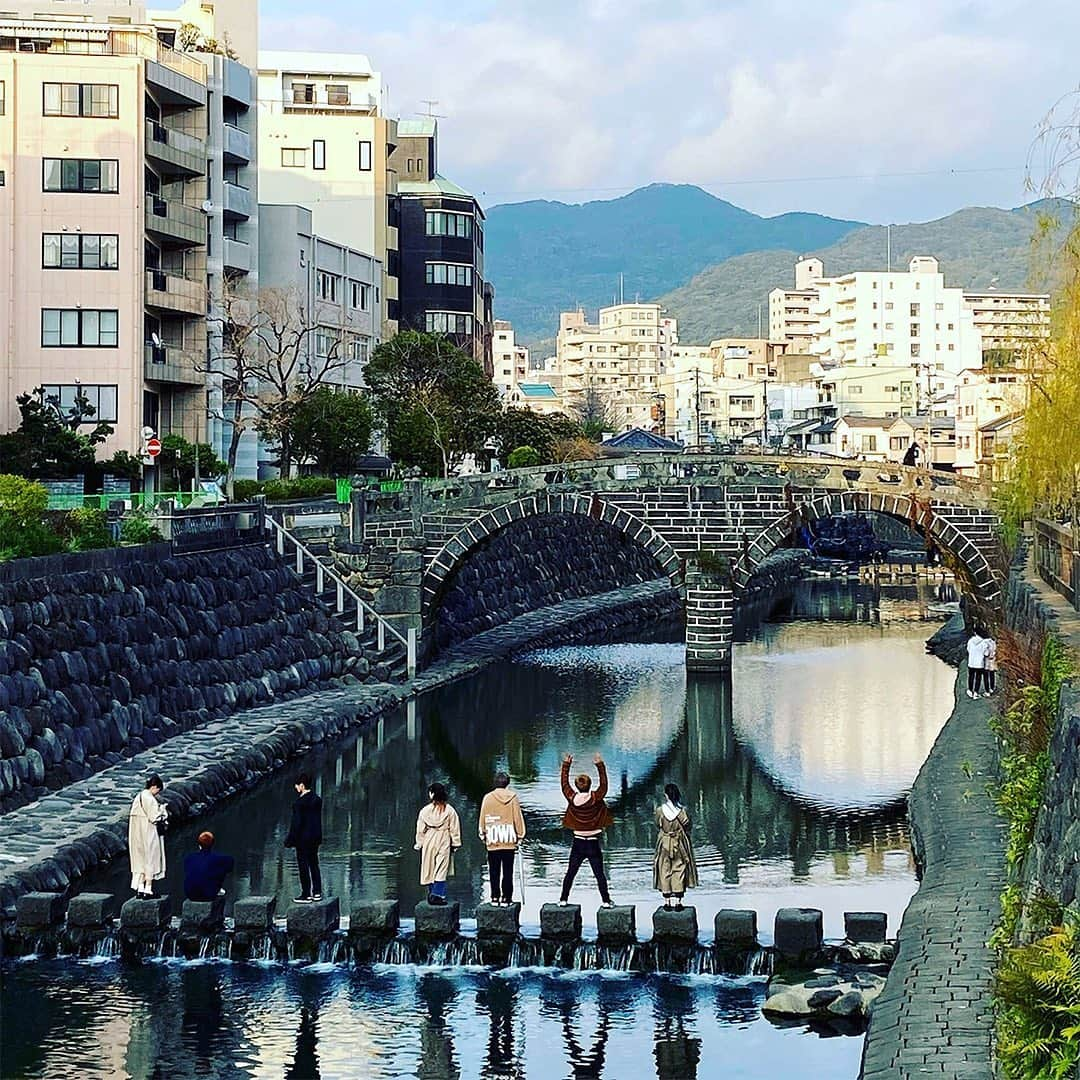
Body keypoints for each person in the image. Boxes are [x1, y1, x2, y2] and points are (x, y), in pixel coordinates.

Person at [559, 752, 615, 907]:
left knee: (570, 873)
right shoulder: (596, 798)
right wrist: (599, 765)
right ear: (590, 785)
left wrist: (566, 765)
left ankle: (563, 899)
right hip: (593, 842)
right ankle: (605, 901)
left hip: (578, 842)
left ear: (576, 786)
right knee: (599, 875)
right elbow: (604, 784)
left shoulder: (571, 798)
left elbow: (564, 784)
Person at [478, 771, 527, 906]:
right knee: (507, 871)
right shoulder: (513, 798)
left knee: (493, 871)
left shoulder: (487, 798)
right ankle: (506, 898)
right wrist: (520, 835)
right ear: (507, 783)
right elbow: (517, 817)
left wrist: (483, 833)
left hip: (493, 838)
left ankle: (494, 897)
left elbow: (483, 816)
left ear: (495, 782)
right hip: (508, 839)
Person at [415, 782, 462, 906]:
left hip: (429, 838)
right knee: (441, 868)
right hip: (444, 838)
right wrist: (456, 843)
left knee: (429, 867)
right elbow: (454, 828)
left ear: (431, 794)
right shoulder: (450, 810)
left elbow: (420, 829)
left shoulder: (425, 811)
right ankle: (438, 894)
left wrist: (419, 843)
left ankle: (431, 893)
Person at [653, 783, 698, 910]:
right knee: (679, 869)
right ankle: (678, 902)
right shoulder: (682, 811)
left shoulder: (660, 810)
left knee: (664, 869)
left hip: (664, 841)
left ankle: (667, 901)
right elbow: (688, 825)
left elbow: (657, 824)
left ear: (666, 795)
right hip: (679, 842)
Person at [284, 773, 323, 904]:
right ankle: (317, 892)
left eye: (296, 785)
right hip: (315, 838)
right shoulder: (317, 799)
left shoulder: (299, 803)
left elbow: (296, 823)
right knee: (314, 864)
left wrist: (289, 840)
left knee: (303, 866)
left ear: (301, 785)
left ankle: (306, 894)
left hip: (302, 839)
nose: (295, 788)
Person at [128, 774, 168, 897]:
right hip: (148, 832)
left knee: (139, 860)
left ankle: (140, 887)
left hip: (135, 833)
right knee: (151, 858)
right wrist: (162, 810)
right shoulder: (150, 799)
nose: (157, 793)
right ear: (154, 787)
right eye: (157, 790)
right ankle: (148, 888)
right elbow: (155, 817)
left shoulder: (138, 796)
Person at [183, 831, 236, 901]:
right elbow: (230, 865)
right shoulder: (220, 858)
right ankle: (217, 910)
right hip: (209, 894)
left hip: (190, 894)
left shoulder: (189, 858)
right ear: (212, 844)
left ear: (199, 845)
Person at [966, 626, 987, 699]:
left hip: (971, 662)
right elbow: (986, 653)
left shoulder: (970, 641)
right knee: (978, 678)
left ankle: (970, 690)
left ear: (975, 633)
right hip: (979, 663)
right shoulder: (984, 643)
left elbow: (968, 650)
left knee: (971, 677)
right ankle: (976, 692)